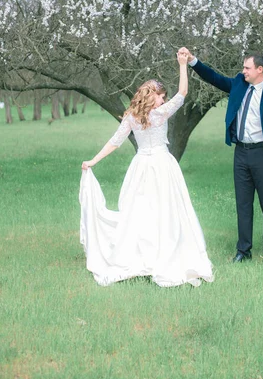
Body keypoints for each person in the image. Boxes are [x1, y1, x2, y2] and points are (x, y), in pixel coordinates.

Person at [80, 51, 214, 287]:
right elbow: (183, 93)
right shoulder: (157, 114)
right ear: (152, 97)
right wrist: (183, 65)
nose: (163, 101)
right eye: (161, 97)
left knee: (150, 209)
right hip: (159, 164)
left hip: (145, 166)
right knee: (153, 210)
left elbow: (116, 141)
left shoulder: (133, 116)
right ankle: (153, 253)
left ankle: (151, 252)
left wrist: (94, 160)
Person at [178, 47, 263, 263]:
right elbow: (213, 77)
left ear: (260, 69)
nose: (243, 71)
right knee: (243, 204)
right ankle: (243, 251)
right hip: (241, 154)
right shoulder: (239, 84)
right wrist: (192, 61)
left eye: (247, 68)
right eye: (243, 67)